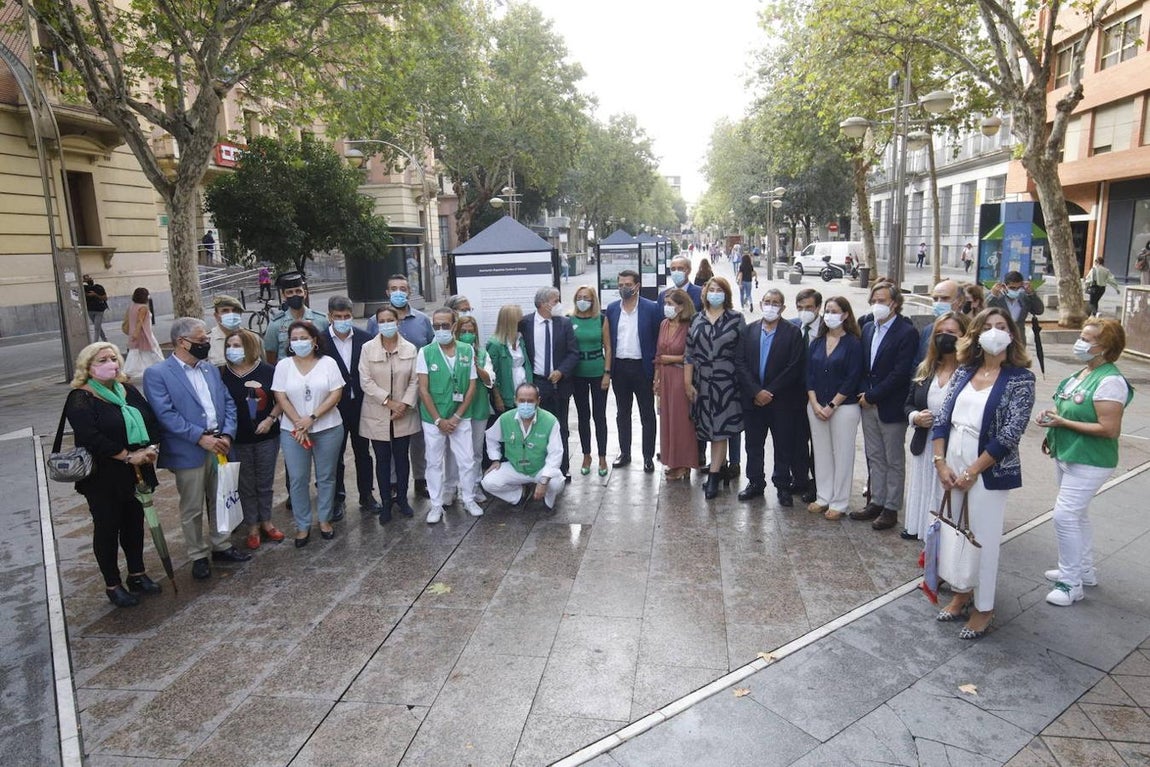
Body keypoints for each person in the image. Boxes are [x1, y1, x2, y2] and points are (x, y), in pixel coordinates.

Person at [931, 307, 1035, 639]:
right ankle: (962, 592)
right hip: (953, 459)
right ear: (975, 334)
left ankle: (984, 607)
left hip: (989, 468)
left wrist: (973, 471)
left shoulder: (1021, 379)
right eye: (987, 326)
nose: (994, 332)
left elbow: (1010, 433)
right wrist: (941, 462)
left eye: (1001, 326)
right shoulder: (964, 372)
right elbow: (942, 418)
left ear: (1012, 334)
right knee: (959, 530)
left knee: (983, 539)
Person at [143, 317, 249, 580]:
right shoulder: (158, 374)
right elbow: (165, 414)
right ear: (182, 342)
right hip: (189, 450)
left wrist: (227, 433)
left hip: (220, 445)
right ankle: (197, 554)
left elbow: (228, 402)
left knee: (221, 497)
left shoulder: (209, 369)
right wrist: (200, 437)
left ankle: (221, 545)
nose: (206, 345)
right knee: (192, 507)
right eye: (201, 341)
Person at [1036, 317, 1132, 606]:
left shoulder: (1110, 381)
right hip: (1068, 454)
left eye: (1088, 340)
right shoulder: (1082, 373)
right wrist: (1051, 415)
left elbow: (1109, 429)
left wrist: (1063, 422)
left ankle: (1070, 583)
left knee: (1064, 516)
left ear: (1105, 348)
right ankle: (1083, 569)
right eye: (1083, 336)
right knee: (1077, 515)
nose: (1081, 342)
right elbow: (1065, 404)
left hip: (1091, 460)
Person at [64, 343, 162, 606]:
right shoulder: (80, 398)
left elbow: (150, 419)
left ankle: (137, 573)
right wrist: (127, 455)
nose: (111, 363)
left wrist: (150, 448)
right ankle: (113, 584)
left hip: (138, 469)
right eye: (102, 360)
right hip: (104, 475)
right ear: (88, 367)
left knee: (134, 524)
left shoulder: (126, 390)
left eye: (113, 358)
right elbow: (90, 436)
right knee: (107, 528)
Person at [851, 282, 918, 531]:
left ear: (895, 303)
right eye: (874, 299)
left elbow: (901, 372)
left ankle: (891, 507)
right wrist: (863, 394)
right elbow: (862, 365)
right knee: (874, 456)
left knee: (893, 459)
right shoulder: (868, 328)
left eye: (883, 300)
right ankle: (875, 501)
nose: (878, 304)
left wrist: (873, 395)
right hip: (867, 403)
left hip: (890, 405)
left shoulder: (906, 332)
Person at [272, 321, 344, 545]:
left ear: (314, 341)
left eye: (304, 338)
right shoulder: (284, 366)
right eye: (294, 339)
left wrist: (311, 418)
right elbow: (280, 396)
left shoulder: (328, 363)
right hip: (293, 432)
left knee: (326, 477)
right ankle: (302, 525)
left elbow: (335, 394)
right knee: (298, 479)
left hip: (327, 427)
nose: (299, 342)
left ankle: (324, 519)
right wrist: (298, 423)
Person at [735, 289, 807, 505]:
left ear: (783, 308)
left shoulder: (792, 332)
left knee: (783, 445)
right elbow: (740, 363)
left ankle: (783, 485)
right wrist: (756, 391)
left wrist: (770, 391)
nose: (771, 306)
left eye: (776, 303)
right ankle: (755, 482)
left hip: (781, 401)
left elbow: (793, 367)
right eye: (767, 302)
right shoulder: (748, 331)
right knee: (753, 444)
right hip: (753, 400)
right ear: (760, 304)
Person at [902, 311, 969, 541]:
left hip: (952, 445)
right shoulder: (926, 367)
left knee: (943, 489)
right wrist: (915, 417)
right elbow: (908, 403)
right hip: (925, 440)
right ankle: (919, 528)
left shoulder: (969, 372)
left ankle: (943, 536)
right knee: (923, 485)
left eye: (951, 333)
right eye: (940, 333)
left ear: (964, 336)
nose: (944, 337)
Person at [366, 273, 434, 498]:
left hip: (416, 391)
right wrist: (389, 401)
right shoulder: (375, 321)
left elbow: (431, 352)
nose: (398, 292)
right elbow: (369, 352)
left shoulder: (423, 320)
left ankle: (420, 478)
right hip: (385, 396)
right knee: (391, 439)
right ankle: (394, 483)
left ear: (409, 292)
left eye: (402, 288)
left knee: (418, 439)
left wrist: (407, 401)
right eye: (393, 288)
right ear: (387, 293)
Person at [418, 307, 484, 523]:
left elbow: (472, 386)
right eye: (436, 326)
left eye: (445, 325)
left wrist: (456, 417)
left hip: (460, 417)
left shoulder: (467, 350)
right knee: (434, 462)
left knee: (466, 460)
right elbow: (423, 389)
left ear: (454, 326)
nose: (440, 329)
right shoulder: (425, 352)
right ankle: (436, 505)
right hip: (433, 419)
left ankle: (469, 498)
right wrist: (438, 420)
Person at [220, 328, 284, 551]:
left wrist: (270, 419)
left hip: (267, 436)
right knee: (245, 483)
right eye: (229, 345)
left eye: (237, 345)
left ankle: (267, 521)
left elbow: (280, 399)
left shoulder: (268, 371)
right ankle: (252, 527)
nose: (232, 350)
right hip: (238, 439)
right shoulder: (221, 374)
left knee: (264, 481)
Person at [685, 277, 745, 500]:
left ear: (726, 294)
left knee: (721, 430)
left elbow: (743, 354)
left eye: (720, 290)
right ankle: (718, 469)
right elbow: (689, 353)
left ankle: (713, 476)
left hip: (727, 383)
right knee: (707, 429)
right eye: (712, 289)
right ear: (705, 293)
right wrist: (687, 382)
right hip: (701, 382)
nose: (715, 293)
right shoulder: (696, 319)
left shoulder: (736, 319)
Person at [358, 306, 420, 521]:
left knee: (402, 458)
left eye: (389, 320)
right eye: (381, 320)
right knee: (382, 459)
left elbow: (415, 380)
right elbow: (365, 380)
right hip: (378, 412)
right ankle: (386, 502)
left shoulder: (410, 349)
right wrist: (388, 401)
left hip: (404, 412)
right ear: (377, 323)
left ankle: (402, 499)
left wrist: (403, 404)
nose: (386, 324)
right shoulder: (367, 348)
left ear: (398, 321)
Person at [805, 297, 863, 520]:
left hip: (843, 408)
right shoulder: (817, 342)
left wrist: (832, 405)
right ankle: (823, 496)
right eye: (827, 311)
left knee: (843, 453)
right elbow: (808, 374)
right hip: (816, 406)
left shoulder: (853, 343)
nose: (829, 315)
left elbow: (852, 378)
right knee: (820, 452)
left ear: (846, 315)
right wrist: (814, 402)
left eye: (834, 311)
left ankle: (839, 501)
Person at [321, 295, 379, 518]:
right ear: (330, 316)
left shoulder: (365, 338)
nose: (343, 320)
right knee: (334, 454)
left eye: (347, 316)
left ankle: (367, 495)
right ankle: (338, 499)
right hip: (333, 406)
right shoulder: (321, 340)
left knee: (363, 452)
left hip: (360, 404)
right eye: (338, 317)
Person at [519, 287, 579, 479]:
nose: (558, 304)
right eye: (555, 301)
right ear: (544, 304)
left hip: (559, 384)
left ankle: (563, 468)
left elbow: (573, 353)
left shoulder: (564, 324)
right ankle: (539, 467)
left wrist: (561, 371)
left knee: (560, 426)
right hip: (536, 383)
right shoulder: (526, 323)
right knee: (536, 426)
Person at [604, 270, 661, 473]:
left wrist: (657, 373)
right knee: (622, 413)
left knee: (647, 414)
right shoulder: (611, 309)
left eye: (627, 284)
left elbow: (658, 341)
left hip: (643, 368)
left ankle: (648, 456)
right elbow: (609, 341)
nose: (623, 288)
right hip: (620, 369)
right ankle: (625, 452)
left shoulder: (651, 309)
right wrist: (608, 371)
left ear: (637, 286)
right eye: (620, 284)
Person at [481, 383, 565, 509]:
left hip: (540, 468)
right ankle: (519, 495)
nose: (525, 404)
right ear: (515, 400)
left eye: (530, 401)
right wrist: (495, 459)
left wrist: (543, 481)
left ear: (538, 401)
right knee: (488, 482)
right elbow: (491, 437)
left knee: (556, 483)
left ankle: (547, 499)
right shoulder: (505, 419)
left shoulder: (550, 421)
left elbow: (556, 453)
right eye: (522, 400)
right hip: (516, 467)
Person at [443, 313, 495, 502]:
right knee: (452, 450)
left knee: (475, 450)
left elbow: (490, 380)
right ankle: (449, 488)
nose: (467, 334)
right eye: (463, 331)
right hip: (454, 409)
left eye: (470, 332)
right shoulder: (448, 352)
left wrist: (476, 365)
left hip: (478, 407)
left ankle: (473, 487)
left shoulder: (481, 353)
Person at [655, 288, 698, 481]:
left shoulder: (690, 326)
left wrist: (668, 358)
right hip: (664, 377)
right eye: (665, 303)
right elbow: (658, 354)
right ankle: (672, 461)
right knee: (667, 420)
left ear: (681, 307)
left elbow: (691, 355)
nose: (667, 307)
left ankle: (684, 464)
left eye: (670, 304)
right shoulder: (664, 324)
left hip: (681, 377)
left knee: (681, 422)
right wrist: (656, 379)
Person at [569, 285, 611, 477]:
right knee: (583, 416)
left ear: (593, 300)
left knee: (599, 416)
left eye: (586, 297)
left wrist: (607, 373)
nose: (583, 300)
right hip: (577, 373)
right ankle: (587, 455)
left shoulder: (601, 319)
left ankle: (602, 456)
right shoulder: (569, 320)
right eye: (579, 297)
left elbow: (608, 348)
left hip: (597, 372)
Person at [263, 271, 329, 365]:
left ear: (305, 293)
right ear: (284, 296)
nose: (295, 295)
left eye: (298, 291)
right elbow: (270, 357)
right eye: (290, 292)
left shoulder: (321, 320)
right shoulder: (275, 324)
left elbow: (327, 350)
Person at [487, 304, 531, 416]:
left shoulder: (521, 339)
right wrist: (497, 397)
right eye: (519, 318)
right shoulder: (495, 344)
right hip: (507, 391)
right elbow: (493, 375)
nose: (522, 321)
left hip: (524, 387)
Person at [914, 280, 965, 366]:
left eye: (945, 298)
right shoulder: (927, 331)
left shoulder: (972, 329)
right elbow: (918, 364)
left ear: (959, 300)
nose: (938, 303)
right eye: (935, 299)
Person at [988, 270, 1044, 344]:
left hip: (1019, 340)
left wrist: (1031, 293)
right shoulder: (997, 298)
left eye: (1018, 288)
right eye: (1012, 288)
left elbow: (1039, 310)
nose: (1015, 290)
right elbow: (983, 311)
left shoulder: (1025, 298)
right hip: (999, 339)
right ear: (1004, 286)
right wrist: (993, 295)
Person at [123, 287, 163, 379]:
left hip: (134, 333)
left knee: (136, 352)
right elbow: (139, 322)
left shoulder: (132, 306)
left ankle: (133, 370)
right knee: (153, 351)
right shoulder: (143, 308)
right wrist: (136, 333)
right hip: (144, 334)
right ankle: (159, 366)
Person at [208, 294, 246, 367]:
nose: (231, 314)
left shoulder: (253, 338)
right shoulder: (207, 341)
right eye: (225, 311)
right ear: (216, 316)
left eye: (235, 310)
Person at [83, 275, 109, 342]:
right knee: (98, 327)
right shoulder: (83, 288)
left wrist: (95, 295)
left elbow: (105, 298)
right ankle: (105, 340)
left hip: (99, 310)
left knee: (96, 327)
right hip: (90, 310)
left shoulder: (98, 287)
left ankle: (95, 343)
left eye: (90, 278)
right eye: (86, 279)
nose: (89, 279)